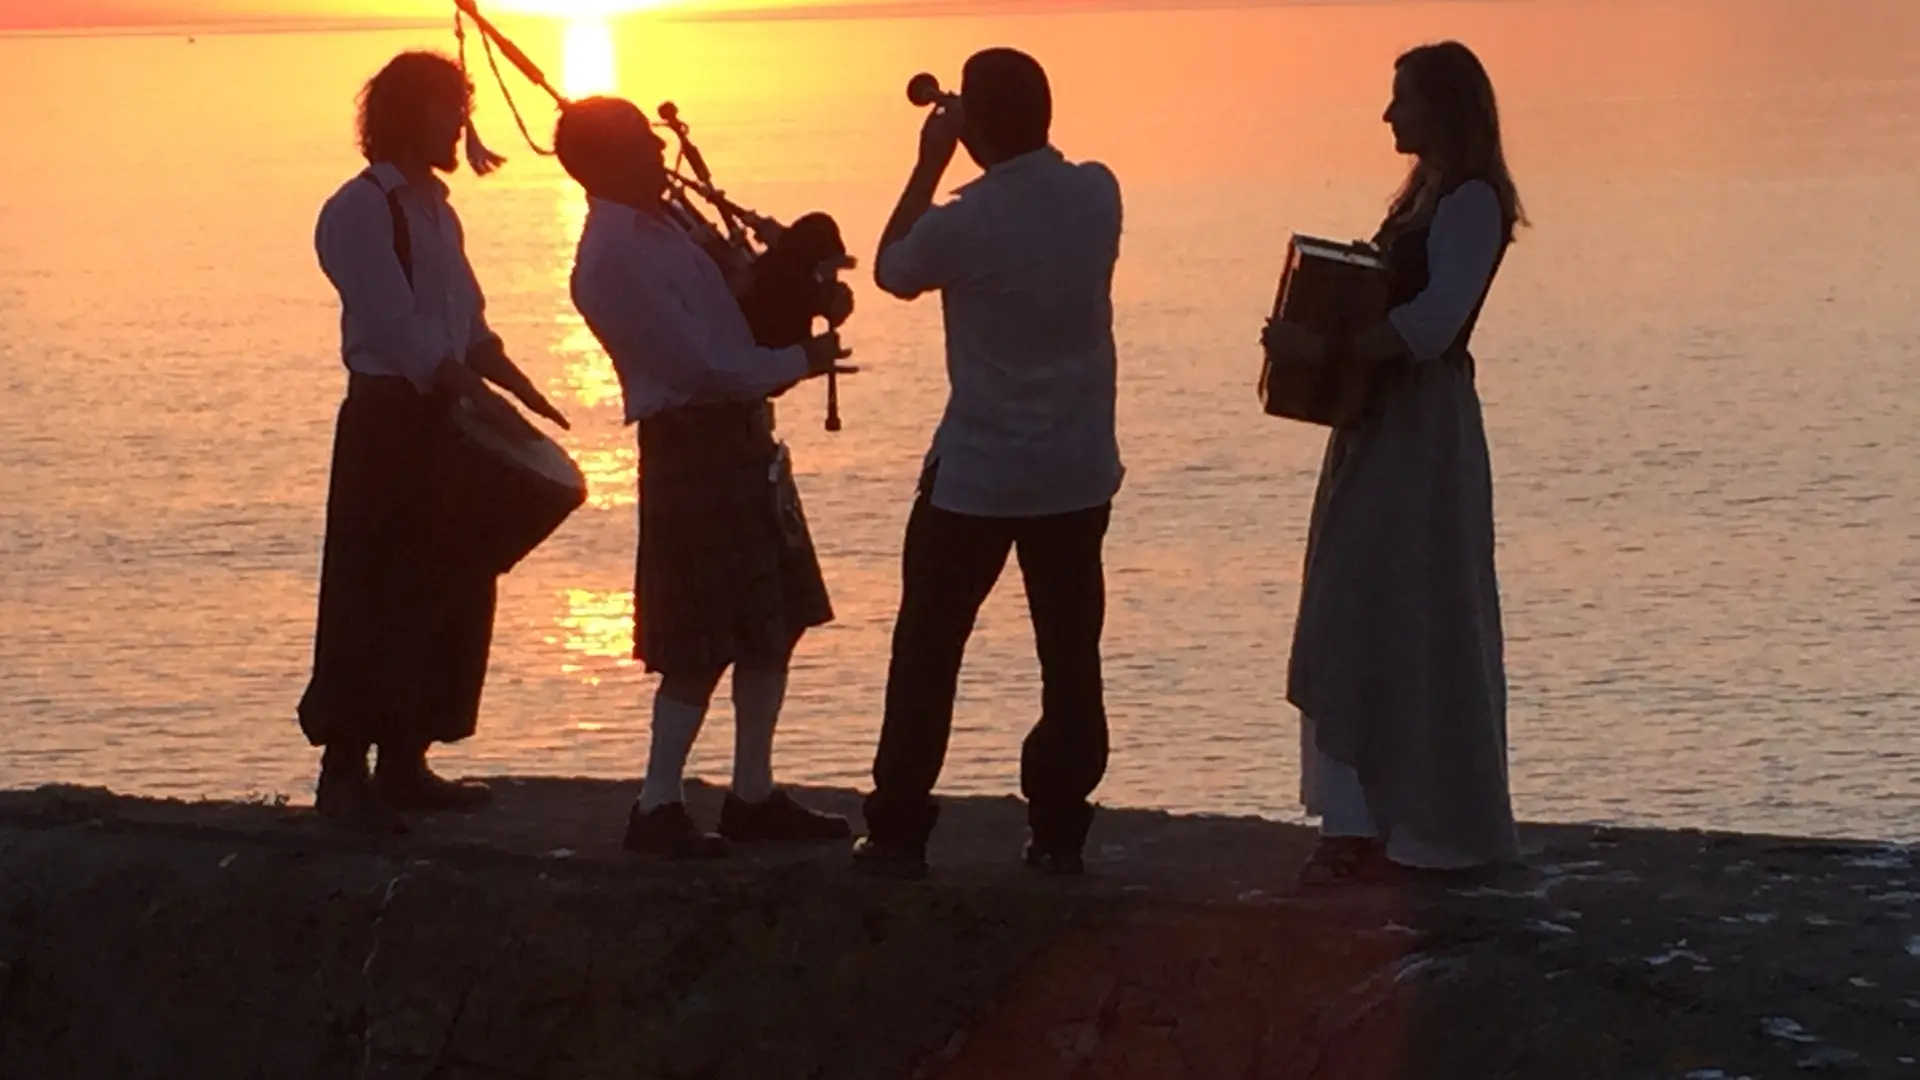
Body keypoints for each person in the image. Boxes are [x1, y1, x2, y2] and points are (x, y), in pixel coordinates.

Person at [555, 96, 856, 858]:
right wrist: (801, 361)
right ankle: (657, 806)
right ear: (600, 163)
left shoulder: (668, 226)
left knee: (771, 623)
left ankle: (751, 795)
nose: (660, 153)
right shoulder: (609, 258)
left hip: (743, 438)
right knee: (698, 643)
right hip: (691, 441)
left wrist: (790, 281)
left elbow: (736, 314)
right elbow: (698, 365)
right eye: (640, 144)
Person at [854, 48, 1125, 879]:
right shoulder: (1098, 192)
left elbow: (891, 268)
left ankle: (898, 827)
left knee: (929, 648)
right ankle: (1058, 829)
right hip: (1077, 471)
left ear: (974, 126)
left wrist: (928, 162)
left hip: (979, 474)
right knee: (1070, 652)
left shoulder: (963, 221)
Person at [1262, 40, 1526, 885]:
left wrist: (1324, 345)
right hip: (1383, 419)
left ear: (1441, 106)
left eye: (1401, 99)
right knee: (1354, 602)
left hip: (1421, 428)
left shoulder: (1473, 202)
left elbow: (1432, 324)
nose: (1388, 115)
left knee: (1406, 608)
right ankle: (1360, 819)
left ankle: (1399, 827)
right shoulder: (1430, 194)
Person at [299, 51, 571, 833]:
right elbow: (398, 329)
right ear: (403, 113)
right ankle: (344, 773)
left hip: (444, 419)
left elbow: (466, 324)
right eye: (447, 106)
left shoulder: (437, 209)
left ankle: (407, 761)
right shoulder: (359, 210)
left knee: (449, 585)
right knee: (372, 590)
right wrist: (480, 400)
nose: (459, 120)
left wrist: (518, 387)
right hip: (391, 421)